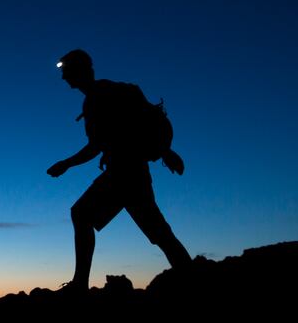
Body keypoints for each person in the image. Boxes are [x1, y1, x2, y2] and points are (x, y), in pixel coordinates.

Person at [47, 49, 191, 294]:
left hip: (124, 173)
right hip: (131, 171)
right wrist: (163, 151)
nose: (64, 78)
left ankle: (80, 284)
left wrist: (66, 164)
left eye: (67, 72)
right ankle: (193, 277)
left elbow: (96, 145)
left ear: (81, 71)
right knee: (159, 232)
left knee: (82, 214)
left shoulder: (97, 98)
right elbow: (119, 133)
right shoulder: (109, 92)